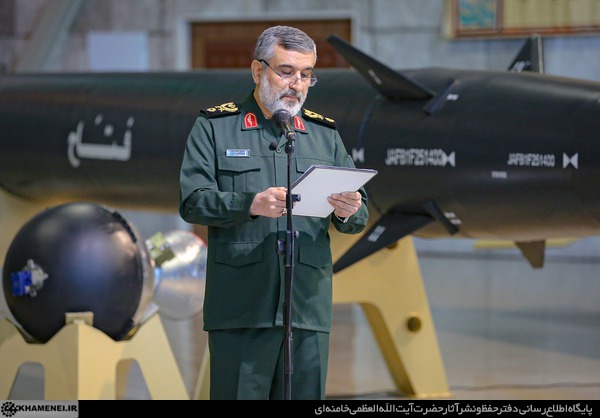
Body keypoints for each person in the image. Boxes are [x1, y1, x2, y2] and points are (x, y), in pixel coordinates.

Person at [179, 25, 369, 400]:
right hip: (242, 308)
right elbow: (193, 201)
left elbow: (358, 215)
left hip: (306, 307)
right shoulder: (216, 128)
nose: (296, 84)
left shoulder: (324, 134)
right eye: (286, 71)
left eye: (306, 75)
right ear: (257, 70)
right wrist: (250, 204)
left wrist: (350, 210)